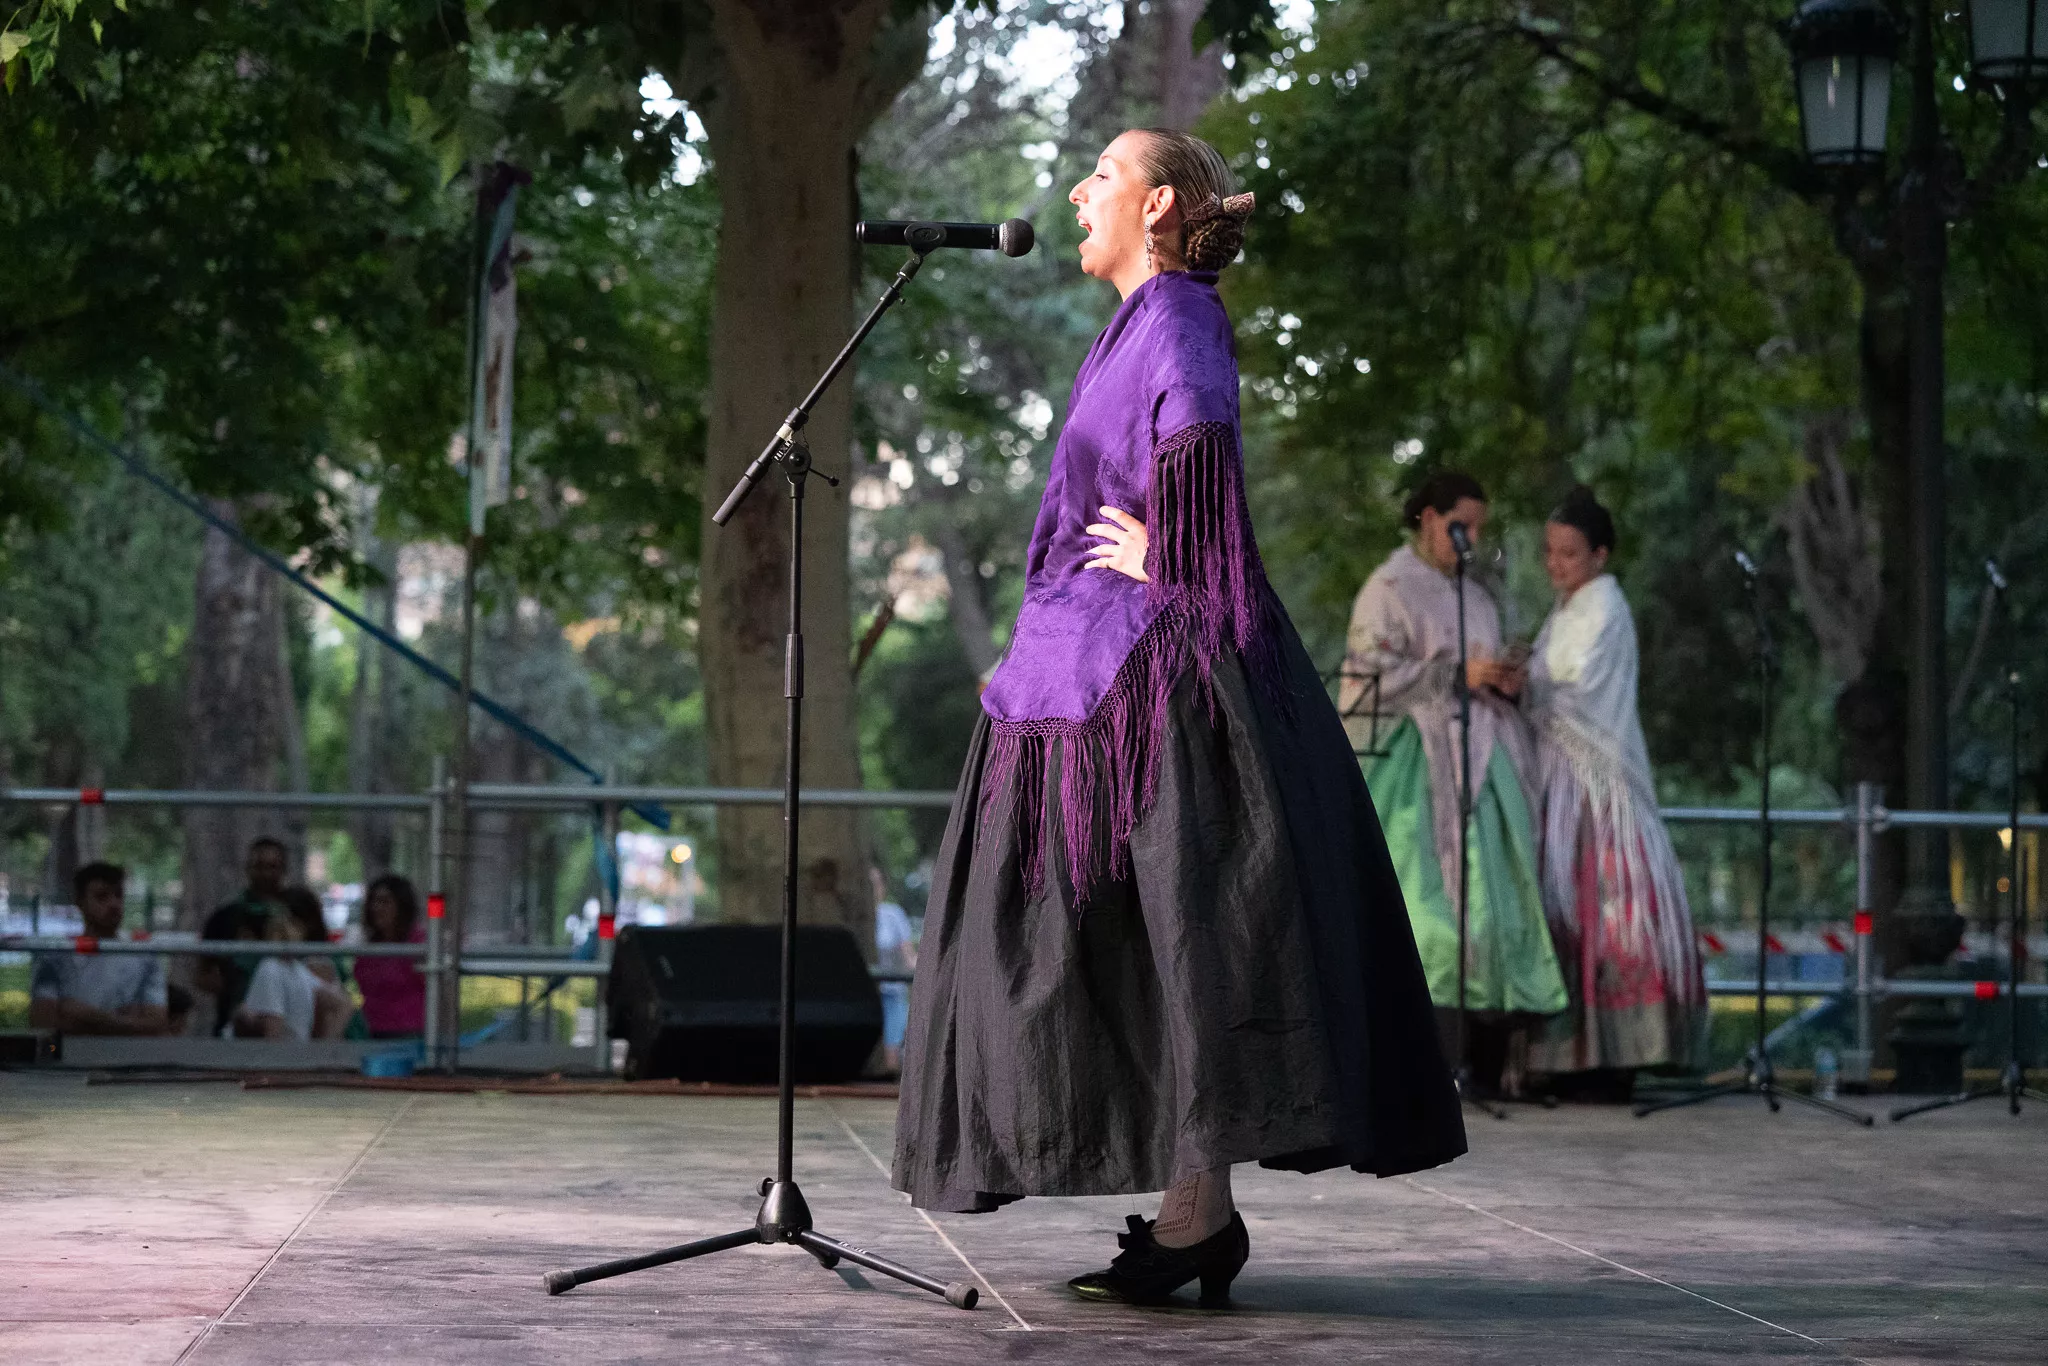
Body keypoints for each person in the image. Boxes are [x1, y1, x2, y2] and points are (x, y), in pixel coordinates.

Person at [893, 128, 1464, 1308]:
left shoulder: (1181, 316)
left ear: (1155, 207)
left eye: (1098, 176)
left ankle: (1197, 1210)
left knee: (1177, 933)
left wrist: (1181, 549)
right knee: (1140, 941)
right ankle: (1192, 1209)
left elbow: (1198, 442)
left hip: (1151, 677)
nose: (1074, 190)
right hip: (1083, 663)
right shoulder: (1133, 323)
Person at [1342, 471, 1568, 1094]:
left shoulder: (1480, 596)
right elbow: (1367, 677)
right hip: (1417, 767)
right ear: (1428, 519)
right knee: (1426, 909)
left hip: (1485, 760)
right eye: (1461, 524)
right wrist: (1452, 674)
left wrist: (1499, 679)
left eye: (1479, 526)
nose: (1471, 538)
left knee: (1500, 911)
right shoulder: (1388, 588)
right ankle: (1419, 1059)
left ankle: (1489, 1061)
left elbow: (1481, 665)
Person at [1523, 487, 1706, 1096]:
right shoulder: (1567, 610)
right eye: (1551, 553)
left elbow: (1575, 694)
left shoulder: (1604, 608)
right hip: (1562, 777)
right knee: (1568, 907)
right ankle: (1573, 1055)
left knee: (1605, 905)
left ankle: (1612, 1057)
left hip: (1594, 786)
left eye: (1569, 554)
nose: (1556, 565)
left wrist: (1520, 684)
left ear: (1600, 555)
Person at [29, 862, 171, 1035]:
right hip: (71, 1056)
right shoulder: (58, 956)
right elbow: (43, 1024)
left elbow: (155, 1025)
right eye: (101, 897)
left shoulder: (143, 955)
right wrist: (126, 1021)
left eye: (119, 895)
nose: (114, 904)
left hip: (129, 1057)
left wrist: (85, 1015)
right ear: (80, 902)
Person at [198, 836, 291, 1033]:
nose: (265, 873)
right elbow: (203, 975)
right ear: (248, 868)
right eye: (259, 866)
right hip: (235, 1022)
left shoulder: (298, 914)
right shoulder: (224, 917)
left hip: (290, 1021)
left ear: (283, 870)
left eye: (272, 866)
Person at [234, 912, 352, 1041]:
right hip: (289, 1051)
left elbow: (273, 1024)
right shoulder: (286, 969)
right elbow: (344, 1004)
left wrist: (324, 1048)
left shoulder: (283, 968)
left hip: (285, 1052)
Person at [351, 873, 427, 1039]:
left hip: (410, 1035)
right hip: (371, 1032)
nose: (376, 908)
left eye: (385, 902)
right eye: (374, 901)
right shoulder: (369, 947)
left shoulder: (418, 943)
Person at [870, 868, 917, 1076]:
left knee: (891, 1051)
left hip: (891, 991)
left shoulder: (892, 914)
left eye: (877, 883)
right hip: (868, 992)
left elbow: (907, 953)